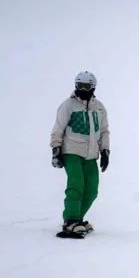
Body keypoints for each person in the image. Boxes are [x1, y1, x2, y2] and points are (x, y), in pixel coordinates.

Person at [50, 71, 110, 235]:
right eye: (79, 86)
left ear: (93, 87)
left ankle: (78, 219)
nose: (82, 89)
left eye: (86, 86)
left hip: (91, 155)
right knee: (76, 184)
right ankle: (71, 219)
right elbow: (58, 129)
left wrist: (105, 151)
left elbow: (104, 131)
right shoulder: (68, 105)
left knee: (92, 190)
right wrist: (56, 149)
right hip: (72, 152)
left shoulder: (99, 107)